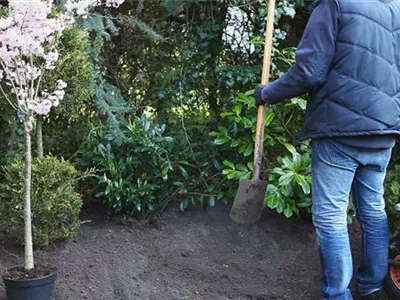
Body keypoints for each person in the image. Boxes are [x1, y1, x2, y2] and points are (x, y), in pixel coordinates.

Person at [254, 0, 400, 299]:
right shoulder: (394, 8)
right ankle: (371, 287)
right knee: (373, 210)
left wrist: (267, 93)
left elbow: (310, 70)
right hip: (384, 130)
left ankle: (337, 294)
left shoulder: (334, 4)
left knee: (331, 216)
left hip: (341, 130)